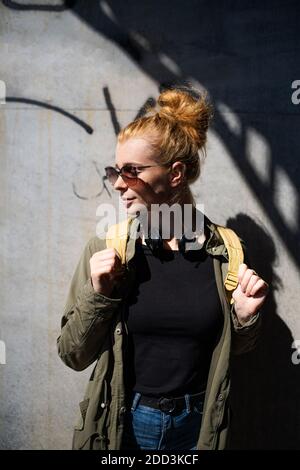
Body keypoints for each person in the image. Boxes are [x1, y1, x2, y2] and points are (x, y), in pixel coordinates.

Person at [57, 86, 269, 451]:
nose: (119, 184)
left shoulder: (226, 251)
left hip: (201, 427)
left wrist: (244, 318)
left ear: (175, 174)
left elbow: (235, 351)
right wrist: (99, 296)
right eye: (116, 171)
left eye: (132, 171)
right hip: (126, 426)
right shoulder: (108, 249)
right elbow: (72, 354)